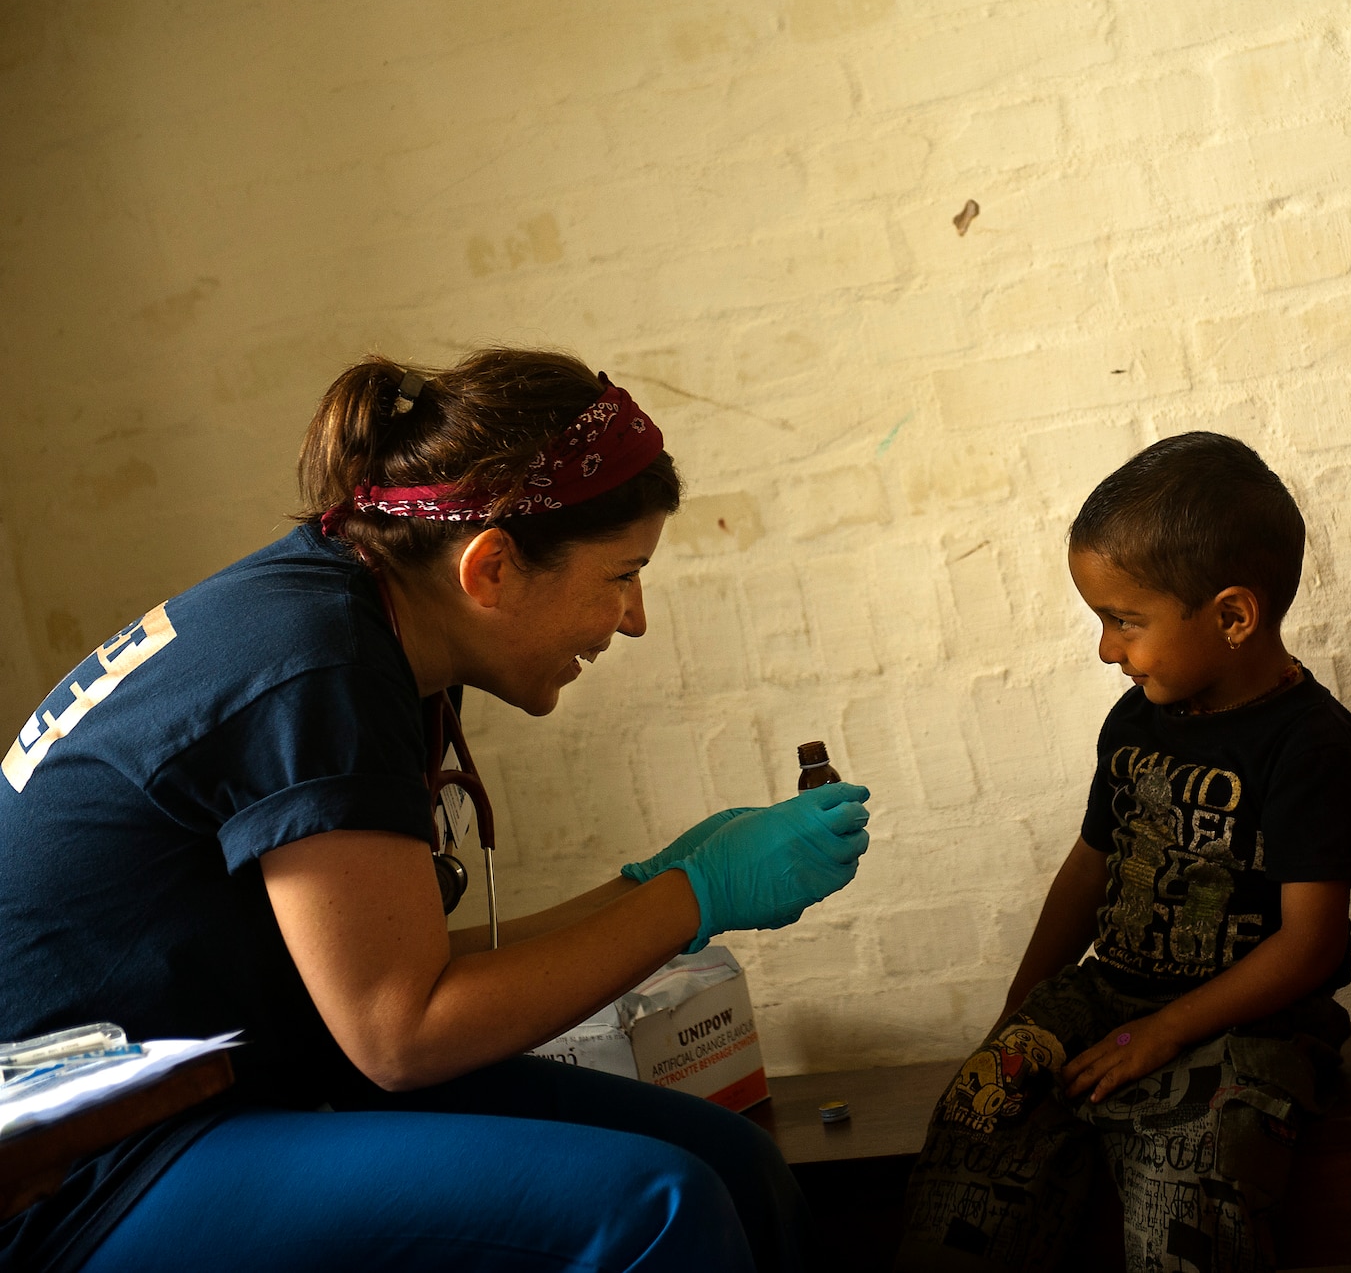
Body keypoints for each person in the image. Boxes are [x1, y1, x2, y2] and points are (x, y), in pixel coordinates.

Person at [0, 350, 873, 1272]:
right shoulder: (322, 664)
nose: (634, 617)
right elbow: (400, 1034)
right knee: (662, 1207)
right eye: (622, 575)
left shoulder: (369, 619)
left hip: (258, 1073)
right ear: (490, 567)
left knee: (735, 1161)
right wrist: (696, 896)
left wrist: (647, 884)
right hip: (79, 1165)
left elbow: (395, 972)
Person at [893, 433, 1351, 1273]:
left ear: (1232, 616)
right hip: (1109, 993)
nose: (1106, 649)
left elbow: (1311, 943)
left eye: (1124, 621)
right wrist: (1022, 1008)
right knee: (981, 1109)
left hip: (1250, 1023)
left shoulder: (1314, 748)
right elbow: (1088, 868)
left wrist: (1165, 1030)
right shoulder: (1136, 719)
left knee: (1188, 1174)